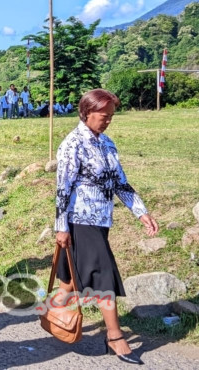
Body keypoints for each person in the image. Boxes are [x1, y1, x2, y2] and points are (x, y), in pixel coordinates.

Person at [54, 89, 159, 366]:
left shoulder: (108, 144)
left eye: (112, 116)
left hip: (102, 220)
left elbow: (120, 182)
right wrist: (60, 227)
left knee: (71, 278)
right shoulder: (72, 144)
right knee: (103, 277)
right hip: (80, 219)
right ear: (87, 112)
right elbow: (62, 190)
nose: (108, 121)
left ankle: (51, 313)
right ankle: (115, 336)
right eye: (104, 116)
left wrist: (141, 212)